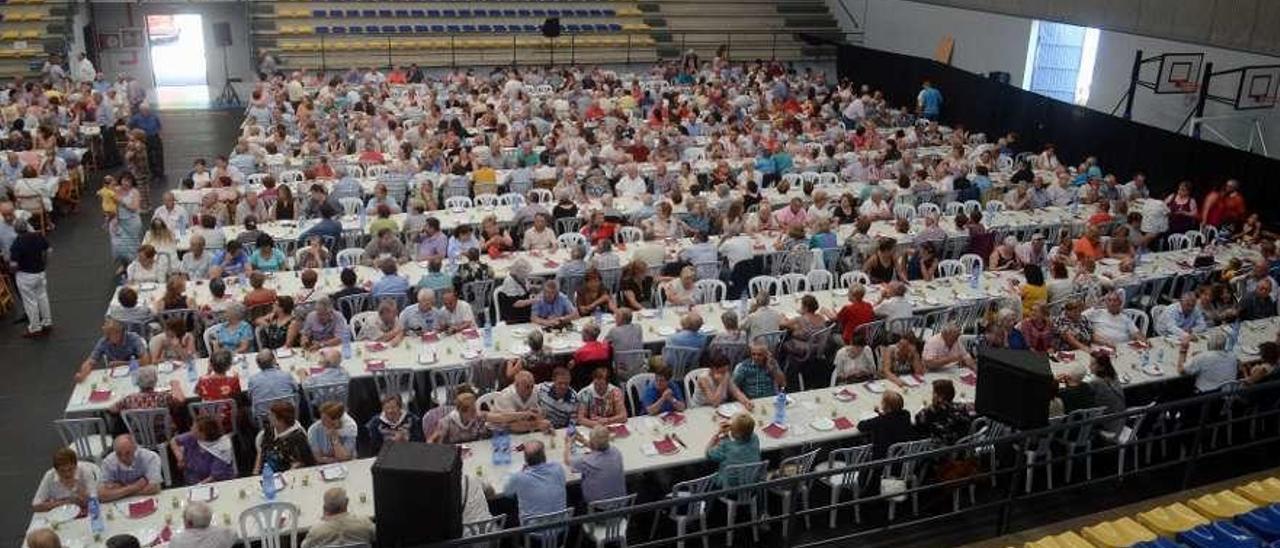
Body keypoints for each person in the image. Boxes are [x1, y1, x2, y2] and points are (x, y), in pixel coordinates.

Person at [501, 440, 567, 524]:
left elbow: (507, 493)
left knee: (508, 506)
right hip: (561, 526)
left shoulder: (519, 477)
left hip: (533, 531)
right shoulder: (558, 468)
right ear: (544, 455)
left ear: (525, 459)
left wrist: (522, 472)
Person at [563, 426, 626, 504]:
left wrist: (568, 444)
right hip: (621, 504)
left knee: (572, 490)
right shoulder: (616, 452)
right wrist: (583, 441)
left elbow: (567, 460)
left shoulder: (588, 461)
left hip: (598, 507)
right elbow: (598, 447)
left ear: (593, 444)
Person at [10, 218, 52, 337]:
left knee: (30, 302)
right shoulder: (38, 236)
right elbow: (48, 250)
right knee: (43, 297)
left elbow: (14, 264)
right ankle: (47, 322)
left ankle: (35, 327)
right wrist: (45, 264)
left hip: (25, 275)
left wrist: (13, 272)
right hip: (40, 272)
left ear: (16, 230)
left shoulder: (17, 244)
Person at [168, 416, 235, 486]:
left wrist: (197, 487)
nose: (191, 429)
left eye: (194, 428)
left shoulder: (222, 447)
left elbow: (214, 477)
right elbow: (174, 441)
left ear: (203, 433)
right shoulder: (192, 437)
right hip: (191, 481)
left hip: (217, 484)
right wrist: (180, 458)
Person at [300, 488, 376, 548]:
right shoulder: (364, 522)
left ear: (325, 507)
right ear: (347, 502)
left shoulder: (316, 531)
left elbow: (304, 546)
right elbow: (376, 536)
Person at [254, 401, 316, 473]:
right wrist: (255, 473)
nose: (268, 417)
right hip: (267, 473)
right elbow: (261, 453)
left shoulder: (298, 437)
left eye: (271, 415)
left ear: (281, 420)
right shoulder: (269, 431)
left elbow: (302, 463)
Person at [99, 434, 164, 502]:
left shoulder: (150, 457)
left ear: (135, 448)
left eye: (127, 453)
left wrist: (118, 490)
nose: (123, 458)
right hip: (121, 503)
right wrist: (135, 487)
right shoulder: (108, 462)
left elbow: (155, 488)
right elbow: (102, 495)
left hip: (147, 499)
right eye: (119, 454)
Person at [31, 448, 100, 512]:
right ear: (56, 470)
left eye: (70, 469)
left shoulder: (85, 471)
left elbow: (95, 498)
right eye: (62, 471)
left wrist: (83, 495)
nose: (67, 474)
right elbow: (36, 505)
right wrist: (67, 502)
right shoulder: (49, 476)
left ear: (76, 466)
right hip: (60, 513)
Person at [706, 412, 761, 487]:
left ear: (736, 433)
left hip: (730, 487)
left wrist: (717, 434)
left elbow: (708, 453)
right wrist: (732, 432)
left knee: (708, 468)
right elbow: (743, 434)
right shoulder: (755, 438)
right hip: (752, 483)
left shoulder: (726, 445)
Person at [858, 391, 916, 458]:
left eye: (883, 402)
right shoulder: (906, 415)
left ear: (887, 406)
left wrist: (881, 416)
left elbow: (861, 426)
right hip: (901, 457)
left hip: (884, 461)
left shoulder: (881, 421)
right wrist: (881, 413)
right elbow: (892, 417)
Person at [913, 380, 972, 446]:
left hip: (939, 450)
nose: (932, 395)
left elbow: (917, 422)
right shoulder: (961, 407)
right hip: (961, 447)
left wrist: (932, 406)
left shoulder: (929, 413)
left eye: (934, 392)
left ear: (940, 397)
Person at [246, 349, 299, 419]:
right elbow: (296, 389)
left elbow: (250, 397)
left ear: (258, 365)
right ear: (274, 360)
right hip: (288, 415)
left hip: (263, 418)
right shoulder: (286, 375)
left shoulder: (252, 380)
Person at [169, 501, 237, 548]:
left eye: (184, 517)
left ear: (189, 523)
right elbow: (234, 536)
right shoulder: (223, 533)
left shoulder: (177, 540)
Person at [1088, 354, 1126, 434]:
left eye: (1092, 364)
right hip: (1121, 417)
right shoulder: (1113, 375)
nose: (1089, 366)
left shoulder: (1096, 382)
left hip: (1109, 423)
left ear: (1101, 368)